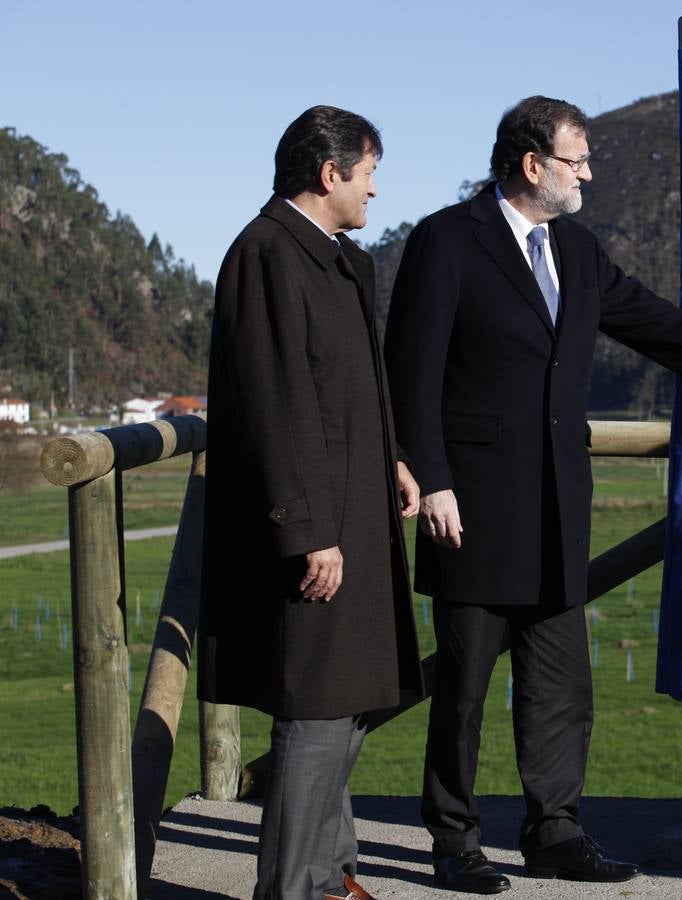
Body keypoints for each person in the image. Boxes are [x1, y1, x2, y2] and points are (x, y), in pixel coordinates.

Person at [383, 95, 682, 895]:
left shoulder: (578, 251)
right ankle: (454, 842)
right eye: (577, 160)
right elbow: (410, 371)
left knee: (562, 692)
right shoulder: (447, 241)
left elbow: (664, 328)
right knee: (463, 693)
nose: (588, 173)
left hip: (558, 508)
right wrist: (435, 478)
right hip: (471, 511)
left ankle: (555, 834)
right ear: (532, 165)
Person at [197, 106, 424, 900]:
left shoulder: (339, 261)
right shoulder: (266, 255)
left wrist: (392, 453)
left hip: (355, 514)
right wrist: (306, 532)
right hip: (312, 527)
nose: (374, 192)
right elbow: (274, 404)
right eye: (368, 175)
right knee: (316, 712)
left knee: (350, 703)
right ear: (330, 175)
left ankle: (330, 877)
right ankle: (291, 890)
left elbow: (350, 384)